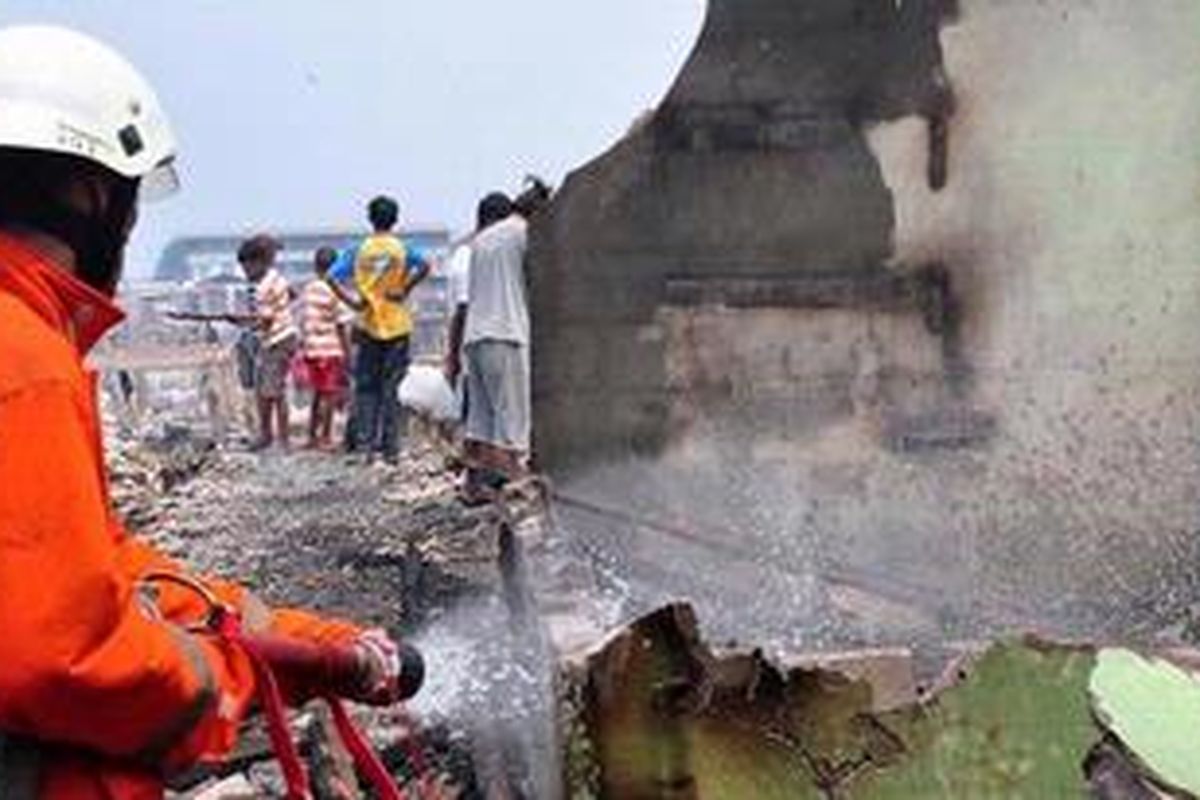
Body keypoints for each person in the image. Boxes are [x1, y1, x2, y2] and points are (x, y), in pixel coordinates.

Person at [0, 26, 402, 798]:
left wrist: (299, 637)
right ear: (93, 197)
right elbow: (68, 661)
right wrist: (229, 676)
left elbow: (94, 565)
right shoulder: (23, 358)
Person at [326, 195, 431, 465]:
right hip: (397, 324)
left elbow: (331, 276)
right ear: (395, 219)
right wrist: (405, 288)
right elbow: (425, 266)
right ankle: (391, 448)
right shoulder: (402, 249)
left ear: (370, 219)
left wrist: (352, 302)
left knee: (366, 387)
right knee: (392, 387)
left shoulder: (359, 250)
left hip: (367, 324)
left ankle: (366, 446)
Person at [458, 190, 539, 503]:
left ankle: (473, 486)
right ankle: (515, 486)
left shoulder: (481, 240)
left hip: (475, 337)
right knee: (510, 418)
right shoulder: (523, 232)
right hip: (506, 333)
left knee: (480, 420)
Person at [236, 234, 299, 450]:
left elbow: (265, 320)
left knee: (272, 392)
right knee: (271, 390)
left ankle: (276, 438)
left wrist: (241, 321)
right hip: (283, 337)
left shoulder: (263, 287)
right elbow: (292, 294)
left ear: (259, 262)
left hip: (276, 340)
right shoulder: (277, 279)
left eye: (247, 268)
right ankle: (274, 436)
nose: (245, 273)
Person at [300, 247, 351, 449]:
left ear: (315, 267)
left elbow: (304, 318)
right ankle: (326, 436)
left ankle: (312, 435)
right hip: (330, 349)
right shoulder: (335, 290)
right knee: (330, 394)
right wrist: (347, 353)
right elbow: (341, 324)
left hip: (312, 349)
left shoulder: (309, 288)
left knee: (317, 393)